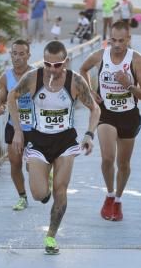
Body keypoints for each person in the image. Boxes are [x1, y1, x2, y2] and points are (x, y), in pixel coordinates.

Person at [8, 40, 100, 254]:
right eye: (48, 64)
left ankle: (51, 236)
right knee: (39, 195)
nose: (52, 69)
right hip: (39, 140)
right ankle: (43, 180)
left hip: (65, 142)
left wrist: (89, 134)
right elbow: (12, 97)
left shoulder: (75, 82)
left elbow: (94, 109)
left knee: (61, 190)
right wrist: (19, 131)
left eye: (57, 65)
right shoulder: (33, 78)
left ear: (65, 62)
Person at [80, 20, 141, 222]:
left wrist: (129, 86)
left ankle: (118, 199)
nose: (117, 44)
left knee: (124, 163)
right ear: (109, 38)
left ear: (129, 39)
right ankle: (109, 195)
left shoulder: (137, 60)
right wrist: (90, 92)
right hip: (106, 114)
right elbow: (82, 69)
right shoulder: (101, 56)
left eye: (121, 40)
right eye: (113, 40)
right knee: (108, 158)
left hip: (129, 115)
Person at [0, 39, 33, 211]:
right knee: (15, 163)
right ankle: (22, 197)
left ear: (28, 55)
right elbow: (1, 100)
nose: (17, 57)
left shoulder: (37, 75)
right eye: (14, 53)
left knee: (32, 166)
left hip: (34, 127)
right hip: (13, 125)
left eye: (21, 54)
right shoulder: (6, 77)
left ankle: (45, 173)